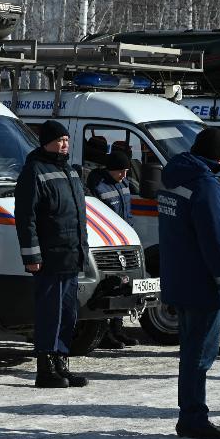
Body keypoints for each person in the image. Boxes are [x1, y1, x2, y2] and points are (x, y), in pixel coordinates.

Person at [158, 127, 220, 439]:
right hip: (203, 284)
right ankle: (193, 417)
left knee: (191, 350)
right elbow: (217, 242)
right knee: (199, 355)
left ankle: (191, 414)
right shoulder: (206, 187)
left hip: (180, 279)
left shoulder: (176, 178)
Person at [15, 119, 89, 389]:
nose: (65, 144)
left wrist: (83, 248)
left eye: (67, 140)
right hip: (49, 256)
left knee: (68, 313)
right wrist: (32, 256)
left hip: (70, 255)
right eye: (60, 140)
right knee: (50, 313)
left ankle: (61, 362)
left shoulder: (69, 171)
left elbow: (77, 215)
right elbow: (26, 217)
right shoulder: (34, 171)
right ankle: (45, 368)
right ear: (46, 142)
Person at [86, 150, 139, 349]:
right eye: (121, 172)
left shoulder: (123, 183)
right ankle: (105, 332)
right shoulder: (99, 186)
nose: (124, 176)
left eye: (126, 171)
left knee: (124, 287)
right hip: (108, 243)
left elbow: (128, 212)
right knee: (109, 288)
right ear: (110, 170)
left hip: (125, 239)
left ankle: (118, 329)